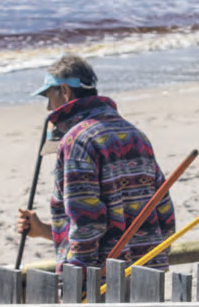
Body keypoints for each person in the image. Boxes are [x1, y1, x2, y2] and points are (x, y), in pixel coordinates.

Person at [14, 53, 175, 270]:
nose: (49, 108)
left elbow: (87, 222)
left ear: (64, 91)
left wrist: (78, 274)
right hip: (147, 269)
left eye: (48, 96)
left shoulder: (77, 140)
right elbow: (163, 208)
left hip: (105, 278)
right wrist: (43, 230)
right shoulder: (135, 135)